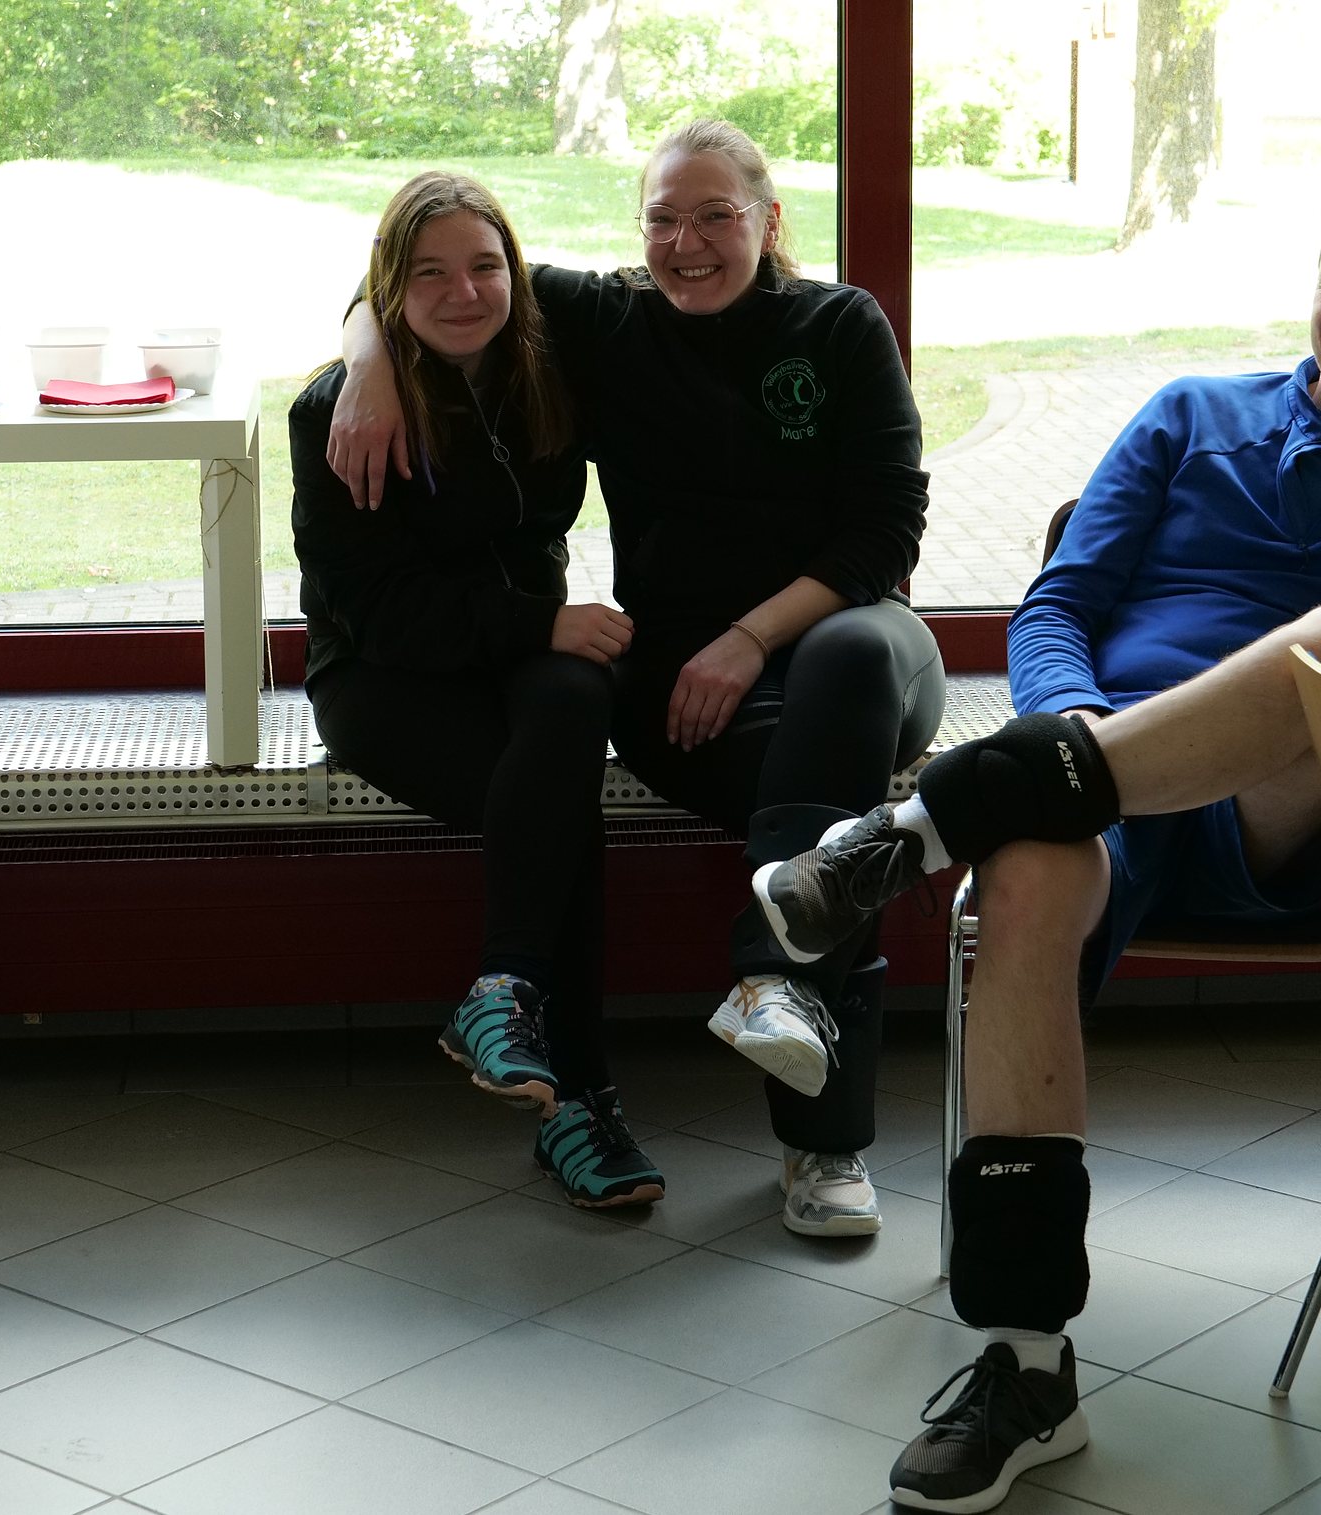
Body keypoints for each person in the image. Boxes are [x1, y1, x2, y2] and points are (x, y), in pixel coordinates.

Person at [754, 181, 1321, 1511]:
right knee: (1028, 869)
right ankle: (1024, 1364)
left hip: (1270, 828)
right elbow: (1058, 604)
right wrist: (1078, 730)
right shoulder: (1193, 412)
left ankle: (919, 828)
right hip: (1107, 766)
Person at [330, 120, 944, 1238]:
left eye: (716, 216)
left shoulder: (839, 323)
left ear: (769, 219)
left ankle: (783, 1007)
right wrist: (367, 363)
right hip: (684, 691)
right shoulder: (610, 318)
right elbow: (442, 278)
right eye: (664, 218)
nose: (687, 243)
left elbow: (884, 533)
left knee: (849, 666)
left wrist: (751, 637)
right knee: (841, 827)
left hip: (850, 645)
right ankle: (819, 1126)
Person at [290, 171, 664, 1208]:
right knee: (559, 806)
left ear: (515, 271)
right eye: (429, 275)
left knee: (573, 701)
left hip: (517, 654)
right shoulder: (337, 412)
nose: (464, 293)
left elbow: (681, 286)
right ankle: (581, 1104)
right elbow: (379, 613)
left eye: (485, 266)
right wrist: (542, 623)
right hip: (382, 679)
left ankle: (502, 995)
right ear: (390, 288)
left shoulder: (546, 353)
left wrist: (543, 631)